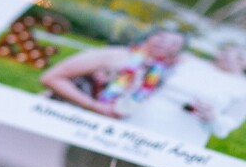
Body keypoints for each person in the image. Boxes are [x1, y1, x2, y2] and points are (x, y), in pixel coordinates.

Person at [129, 41, 246, 146]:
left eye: (240, 58)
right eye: (231, 51)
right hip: (148, 115)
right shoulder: (188, 62)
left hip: (188, 131)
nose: (231, 57)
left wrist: (213, 117)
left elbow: (229, 123)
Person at [37, 25, 186, 120]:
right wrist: (93, 105)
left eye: (174, 43)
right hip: (57, 114)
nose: (165, 43)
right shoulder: (113, 55)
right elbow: (50, 78)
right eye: (161, 37)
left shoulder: (158, 74)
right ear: (149, 36)